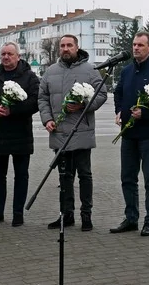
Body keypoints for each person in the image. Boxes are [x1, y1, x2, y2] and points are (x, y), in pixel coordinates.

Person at [38, 34, 107, 231]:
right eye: (62, 46)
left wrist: (84, 105)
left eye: (69, 45)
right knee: (64, 177)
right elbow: (42, 97)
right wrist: (48, 119)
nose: (65, 49)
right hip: (59, 133)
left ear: (77, 47)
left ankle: (87, 215)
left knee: (85, 176)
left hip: (82, 131)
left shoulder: (91, 69)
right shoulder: (50, 71)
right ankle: (66, 215)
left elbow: (101, 93)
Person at [110, 31, 149, 237]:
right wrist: (119, 110)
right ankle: (131, 218)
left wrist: (145, 113)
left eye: (140, 45)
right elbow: (118, 93)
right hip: (128, 134)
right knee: (127, 178)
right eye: (134, 44)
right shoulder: (127, 71)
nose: (135, 48)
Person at [0, 42, 40, 227]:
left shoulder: (29, 77)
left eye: (10, 54)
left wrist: (13, 110)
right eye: (3, 54)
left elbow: (36, 101)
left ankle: (18, 213)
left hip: (21, 134)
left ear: (18, 56)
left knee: (21, 176)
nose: (6, 57)